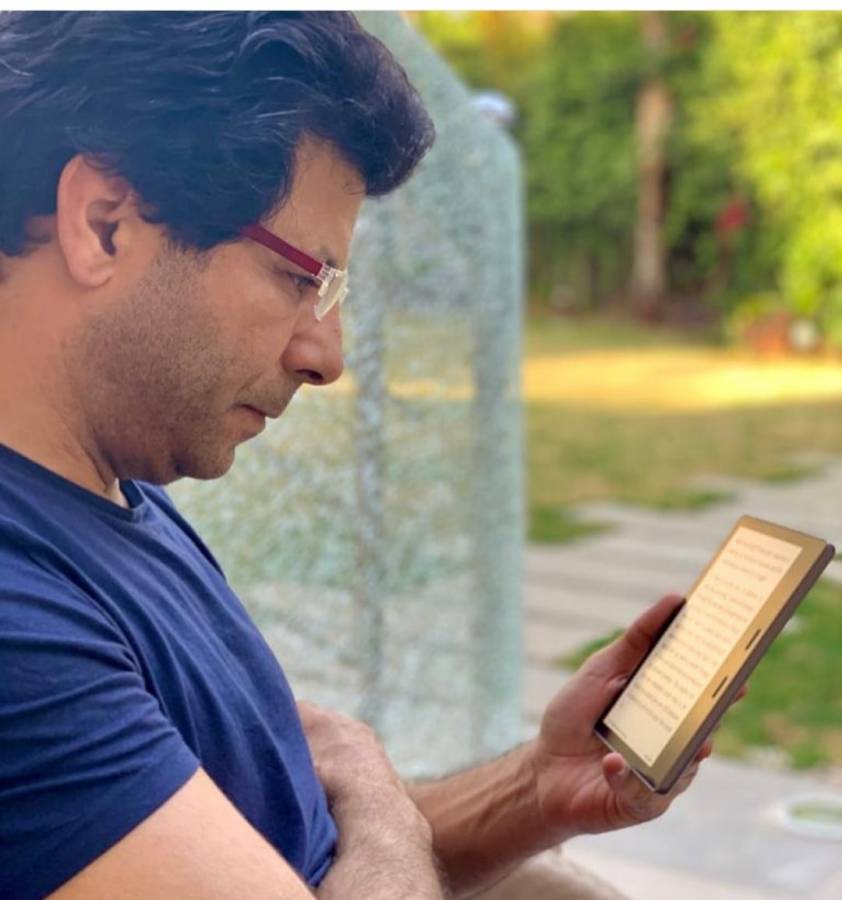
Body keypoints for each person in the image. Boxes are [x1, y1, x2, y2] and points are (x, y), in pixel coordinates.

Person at [0, 12, 740, 900]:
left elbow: (293, 851)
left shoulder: (115, 495)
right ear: (105, 224)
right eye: (298, 278)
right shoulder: (20, 621)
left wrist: (536, 787)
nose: (327, 355)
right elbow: (355, 840)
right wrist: (369, 786)